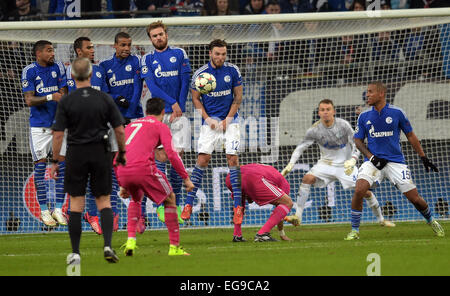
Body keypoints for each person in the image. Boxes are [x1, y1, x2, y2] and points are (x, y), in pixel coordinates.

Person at [345, 81, 445, 240]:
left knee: (415, 199)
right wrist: (371, 157)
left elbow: (410, 135)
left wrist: (423, 156)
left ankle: (431, 220)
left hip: (395, 162)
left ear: (381, 94)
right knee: (359, 190)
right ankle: (355, 230)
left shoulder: (397, 113)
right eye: (367, 92)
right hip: (373, 161)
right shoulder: (364, 116)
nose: (367, 95)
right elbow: (357, 140)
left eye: (370, 92)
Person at [50, 57, 126, 264]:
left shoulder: (67, 100)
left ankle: (75, 253)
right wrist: (122, 152)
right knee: (104, 200)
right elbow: (119, 129)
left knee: (76, 203)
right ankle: (108, 246)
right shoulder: (103, 98)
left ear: (73, 76)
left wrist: (55, 161)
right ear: (91, 74)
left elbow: (58, 134)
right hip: (100, 152)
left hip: (76, 153)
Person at [282, 99, 395, 227]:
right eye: (322, 110)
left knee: (364, 191)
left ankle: (381, 219)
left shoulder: (343, 125)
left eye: (328, 109)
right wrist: (291, 164)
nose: (325, 112)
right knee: (307, 178)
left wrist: (353, 160)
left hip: (345, 166)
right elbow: (300, 147)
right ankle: (297, 216)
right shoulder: (314, 130)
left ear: (333, 111)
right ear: (319, 113)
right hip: (325, 164)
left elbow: (356, 143)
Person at [116, 98, 195, 256]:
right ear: (163, 112)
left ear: (146, 112)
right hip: (143, 168)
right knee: (170, 198)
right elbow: (171, 155)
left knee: (136, 199)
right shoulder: (161, 126)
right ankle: (174, 248)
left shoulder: (131, 125)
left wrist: (122, 184)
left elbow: (117, 153)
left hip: (122, 168)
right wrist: (186, 178)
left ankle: (131, 240)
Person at [181, 39, 244, 225]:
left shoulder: (232, 71)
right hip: (209, 122)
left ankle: (237, 207)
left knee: (232, 158)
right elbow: (195, 98)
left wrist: (228, 120)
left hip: (231, 120)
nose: (220, 57)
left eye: (223, 54)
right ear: (210, 53)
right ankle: (189, 204)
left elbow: (238, 97)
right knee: (203, 159)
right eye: (217, 54)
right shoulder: (201, 74)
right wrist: (208, 119)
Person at [65, 37, 121, 234]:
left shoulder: (99, 71)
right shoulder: (70, 72)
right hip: (79, 135)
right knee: (84, 178)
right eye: (89, 48)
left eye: (93, 47)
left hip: (101, 133)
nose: (92, 50)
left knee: (107, 174)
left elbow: (105, 97)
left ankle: (109, 214)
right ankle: (90, 214)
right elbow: (70, 100)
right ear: (79, 52)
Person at [140, 21, 191, 225]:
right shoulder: (147, 59)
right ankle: (162, 201)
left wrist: (180, 105)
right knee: (160, 157)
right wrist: (172, 103)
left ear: (166, 34)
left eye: (161, 34)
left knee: (177, 159)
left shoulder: (180, 53)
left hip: (179, 115)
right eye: (154, 36)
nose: (158, 38)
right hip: (160, 115)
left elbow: (185, 81)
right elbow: (152, 86)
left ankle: (174, 203)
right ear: (151, 39)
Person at [21, 40, 68, 228]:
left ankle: (58, 209)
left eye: (53, 50)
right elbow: (29, 100)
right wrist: (50, 96)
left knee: (62, 167)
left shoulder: (58, 67)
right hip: (39, 127)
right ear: (38, 53)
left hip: (58, 125)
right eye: (48, 51)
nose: (52, 54)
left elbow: (63, 93)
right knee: (40, 169)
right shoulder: (29, 71)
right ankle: (44, 211)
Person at [225, 163, 299, 242]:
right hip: (252, 177)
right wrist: (282, 234)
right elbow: (280, 211)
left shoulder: (268, 171)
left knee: (239, 203)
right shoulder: (284, 184)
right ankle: (262, 234)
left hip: (231, 176)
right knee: (288, 203)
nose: (250, 202)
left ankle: (237, 235)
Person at [99, 31, 143, 125]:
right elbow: (103, 92)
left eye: (129, 45)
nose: (127, 48)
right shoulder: (104, 65)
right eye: (123, 45)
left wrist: (129, 114)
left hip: (135, 114)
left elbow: (137, 89)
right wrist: (116, 97)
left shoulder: (136, 60)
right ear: (115, 45)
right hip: (114, 115)